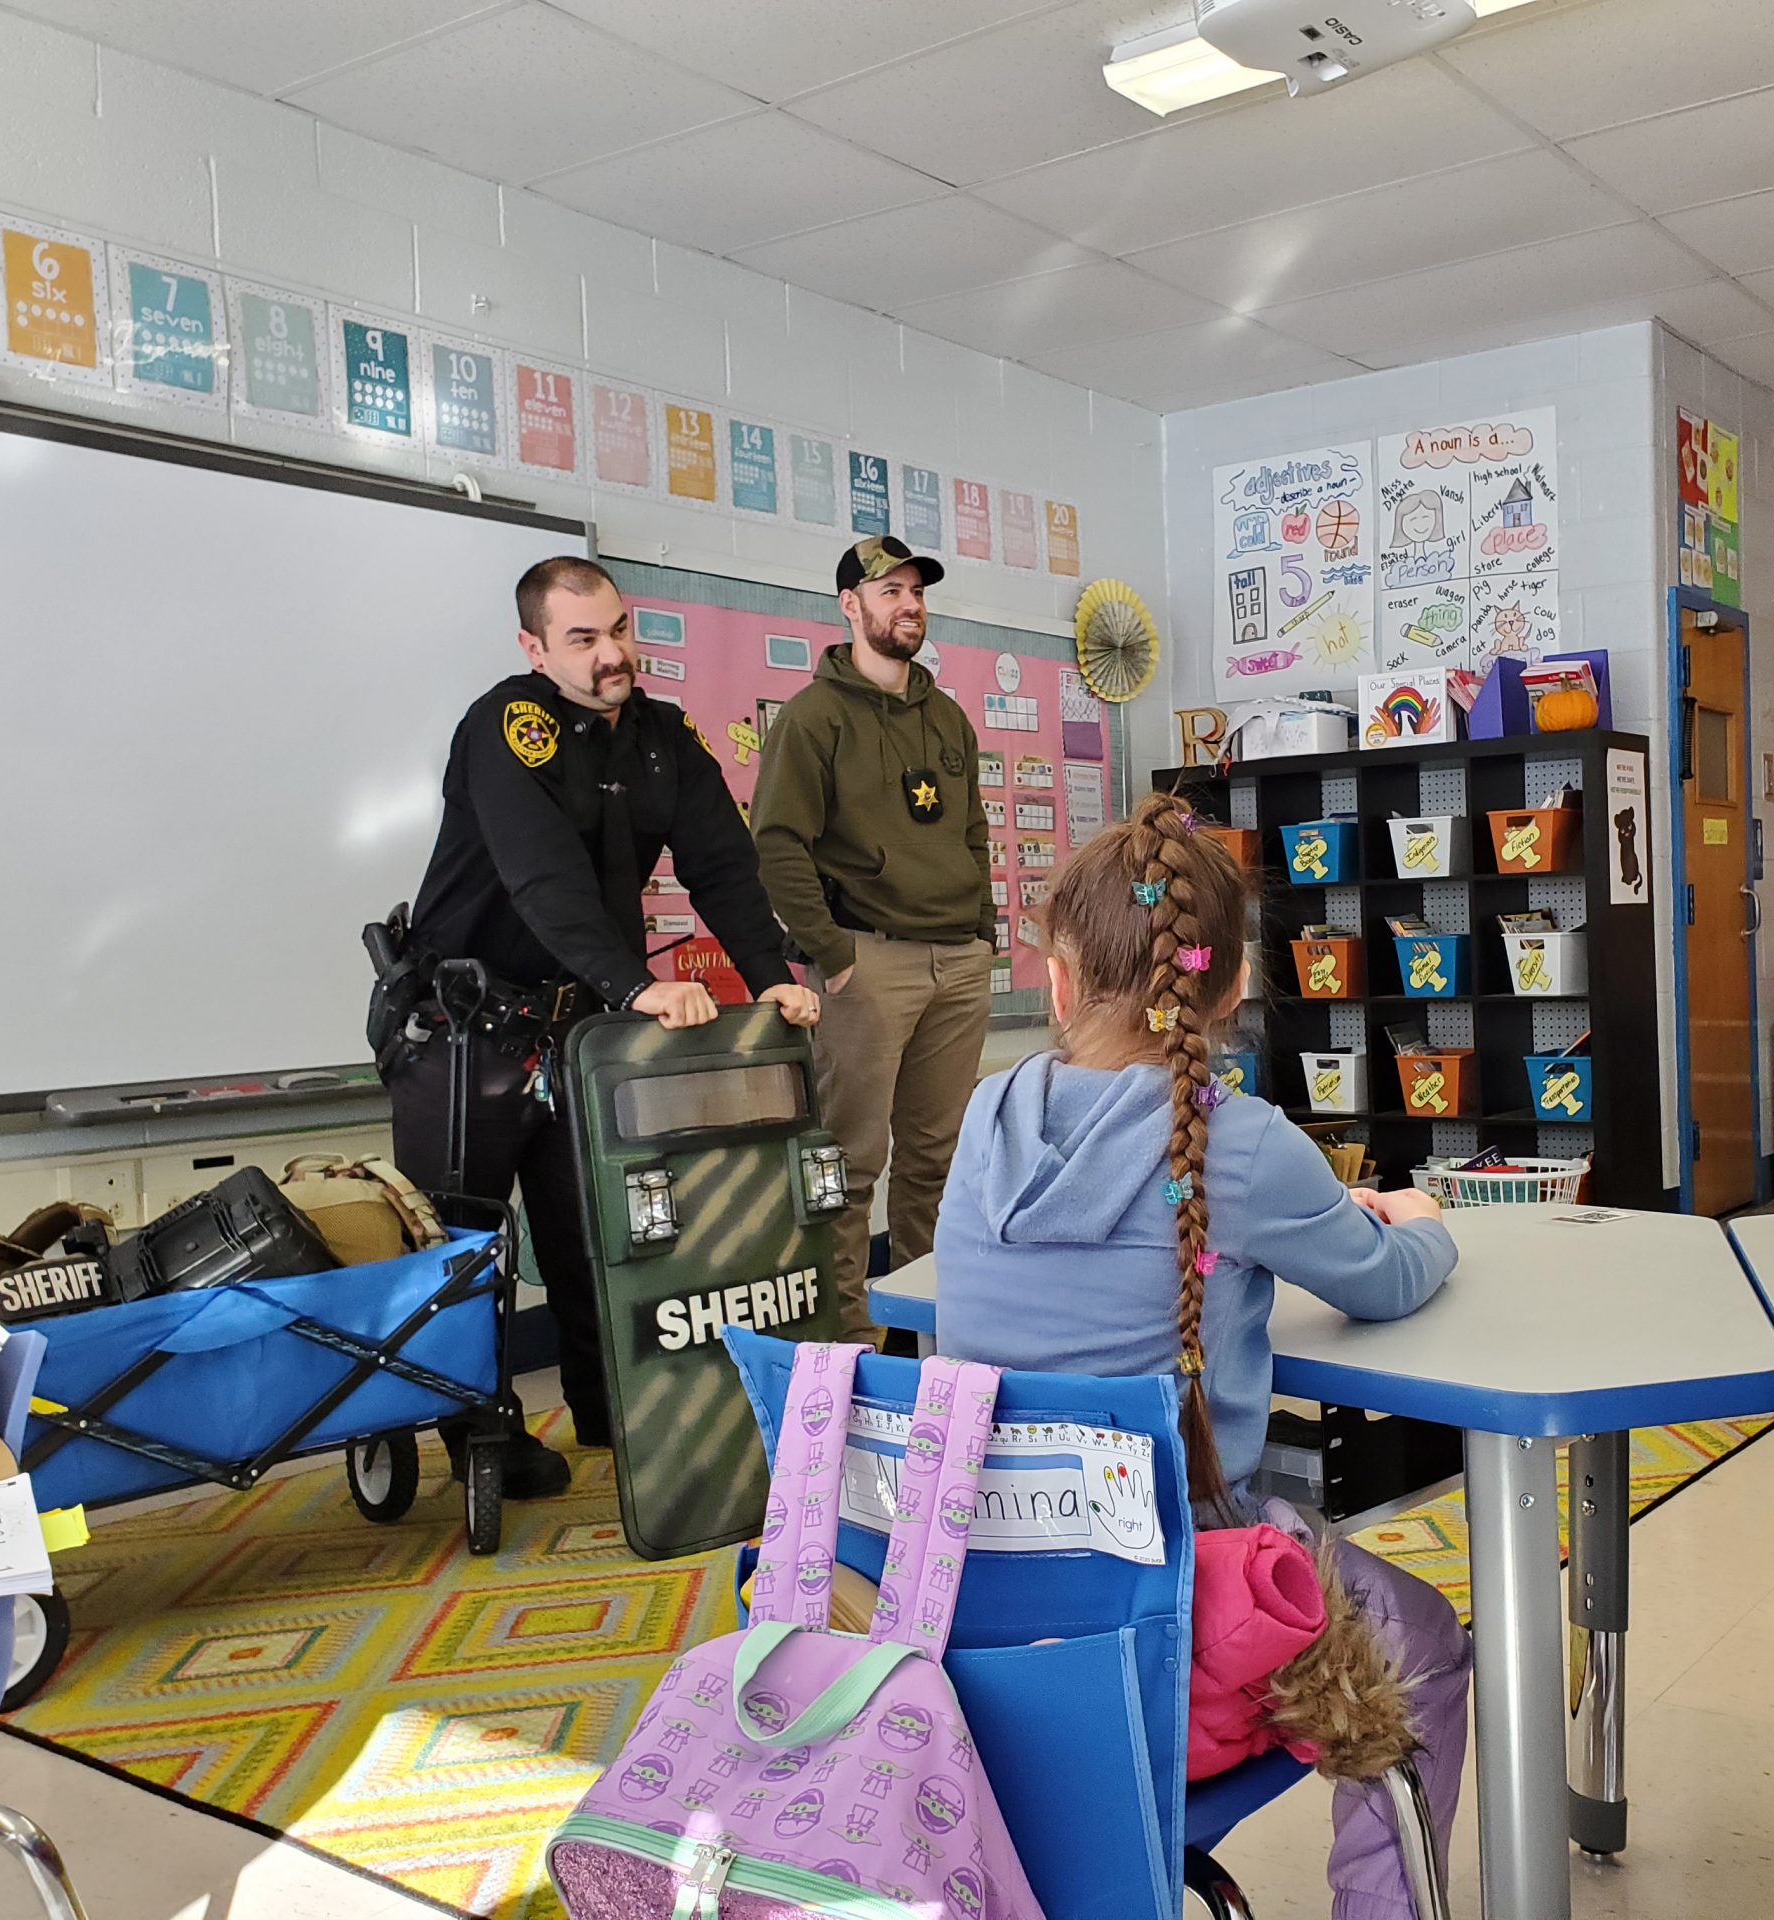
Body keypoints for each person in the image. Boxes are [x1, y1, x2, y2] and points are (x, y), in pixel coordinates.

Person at [933, 790, 1471, 1920]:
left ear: (1057, 980)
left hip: (975, 1631)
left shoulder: (983, 1118)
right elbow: (1379, 1285)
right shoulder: (1240, 1140)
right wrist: (1420, 1223)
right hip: (1166, 1625)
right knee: (1423, 1641)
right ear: (1230, 987)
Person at [384, 556, 819, 1497]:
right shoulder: (508, 727)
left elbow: (723, 868)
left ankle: (608, 1404)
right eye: (582, 638)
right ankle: (478, 1439)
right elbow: (543, 876)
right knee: (465, 1243)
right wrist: (635, 987)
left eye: (618, 629)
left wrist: (771, 979)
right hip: (466, 1027)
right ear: (535, 648)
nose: (611, 653)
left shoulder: (662, 738)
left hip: (579, 1030)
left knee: (599, 1228)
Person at [750, 535, 995, 1345]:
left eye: (915, 590)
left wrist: (984, 933)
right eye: (887, 591)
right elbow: (778, 842)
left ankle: (934, 1343)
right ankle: (851, 1352)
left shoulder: (946, 714)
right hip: (867, 960)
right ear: (850, 605)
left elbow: (971, 831)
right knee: (853, 1168)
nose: (908, 604)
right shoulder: (813, 718)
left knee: (939, 1166)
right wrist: (833, 954)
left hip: (956, 961)